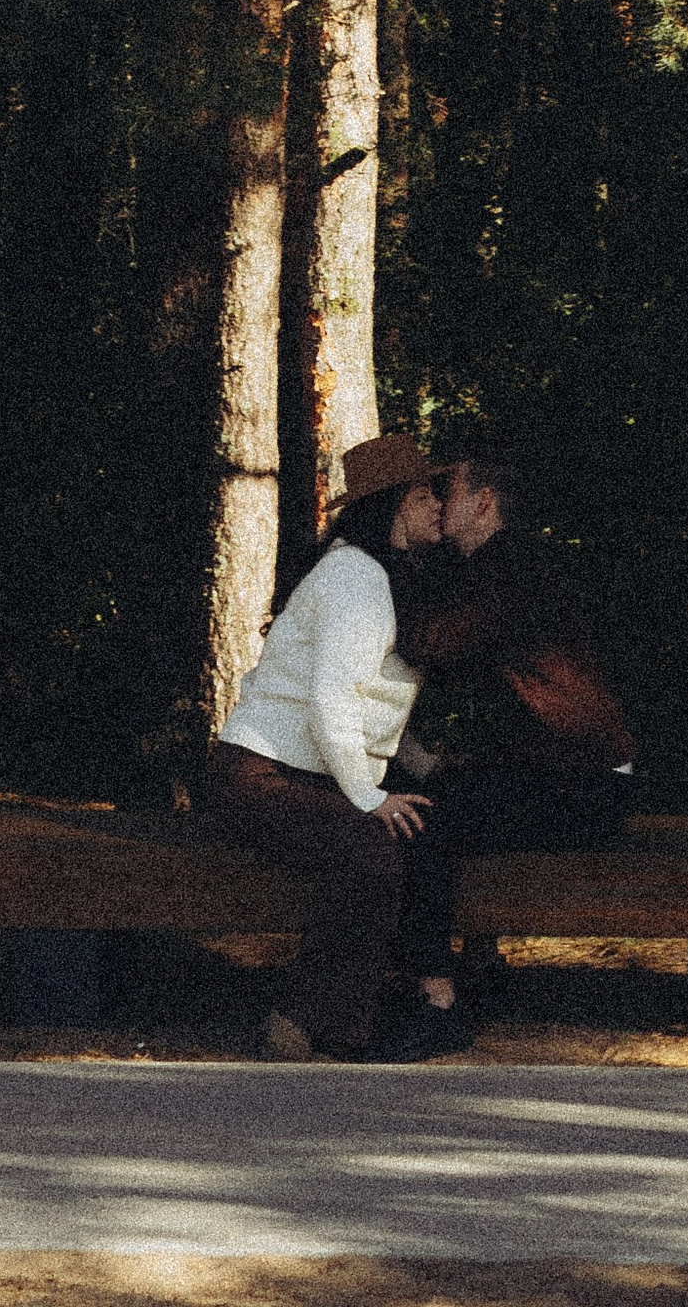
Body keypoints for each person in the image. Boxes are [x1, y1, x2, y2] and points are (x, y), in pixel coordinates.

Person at [205, 431, 454, 1063]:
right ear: (397, 502)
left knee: (396, 840)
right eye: (428, 492)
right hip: (258, 774)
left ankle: (347, 1024)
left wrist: (423, 764)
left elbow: (368, 699)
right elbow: (331, 703)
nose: (438, 505)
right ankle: (303, 1018)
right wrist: (371, 796)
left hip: (300, 774)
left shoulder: (378, 575)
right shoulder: (354, 578)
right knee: (375, 844)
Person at [390, 447, 638, 1025]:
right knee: (443, 785)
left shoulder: (508, 570)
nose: (439, 501)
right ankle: (479, 958)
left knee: (421, 817)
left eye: (447, 490)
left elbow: (427, 642)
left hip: (586, 788)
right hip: (578, 777)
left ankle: (435, 990)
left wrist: (397, 550)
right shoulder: (504, 565)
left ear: (483, 503)